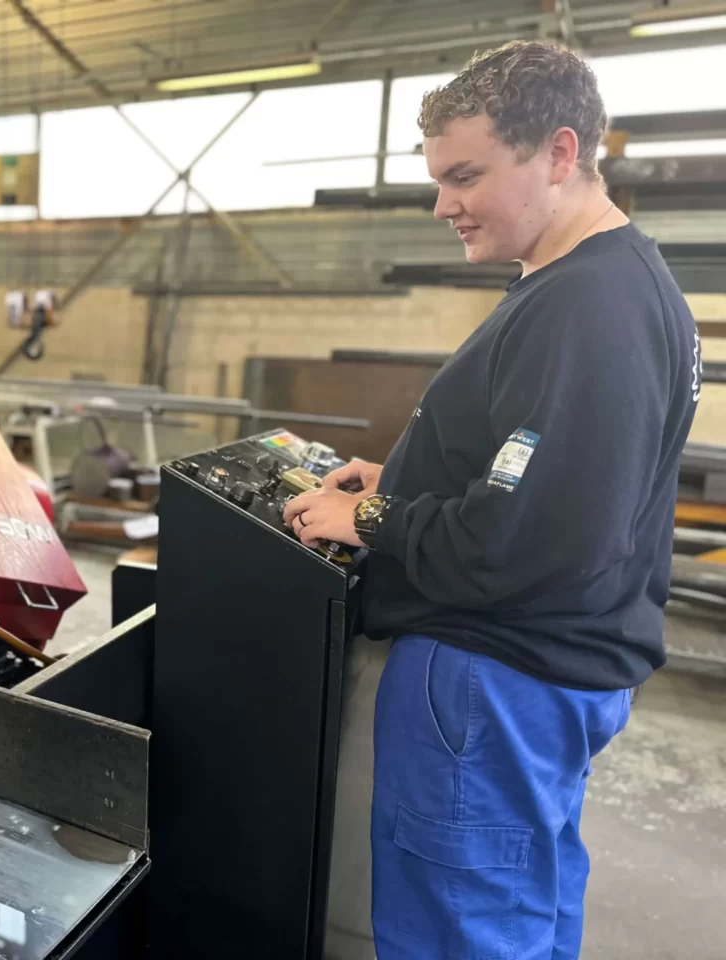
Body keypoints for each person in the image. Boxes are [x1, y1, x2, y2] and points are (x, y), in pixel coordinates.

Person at [283, 40, 701, 960]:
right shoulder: (592, 284)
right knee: (523, 912)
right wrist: (397, 480)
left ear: (558, 153)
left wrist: (373, 519)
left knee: (462, 932)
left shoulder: (590, 306)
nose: (444, 204)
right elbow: (544, 472)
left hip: (496, 675)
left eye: (465, 175)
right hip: (541, 675)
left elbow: (538, 536)